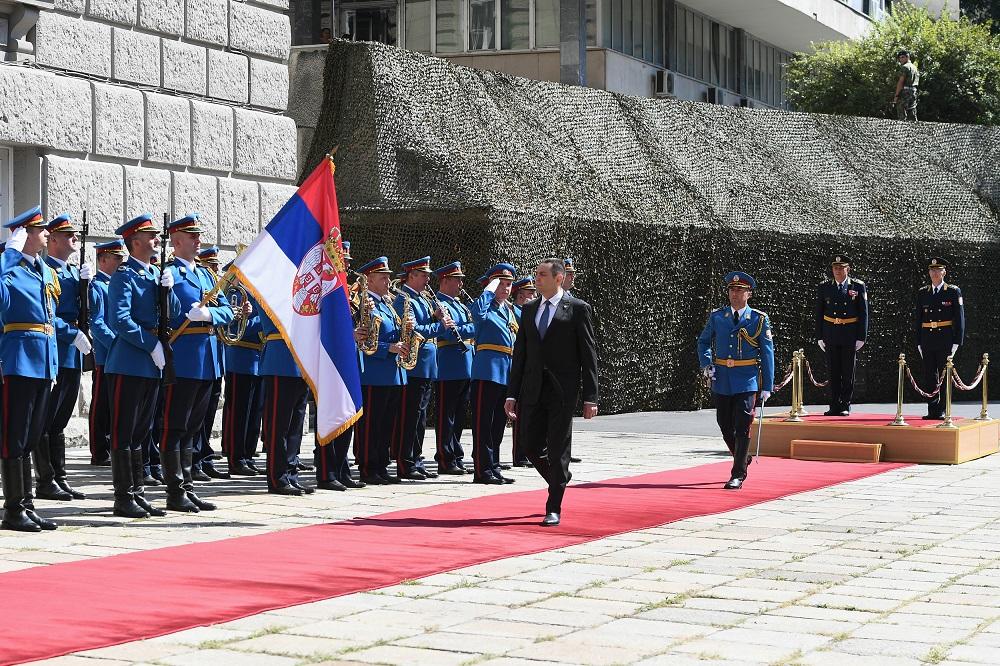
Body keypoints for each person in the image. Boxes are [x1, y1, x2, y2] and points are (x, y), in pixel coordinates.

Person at [506, 258, 599, 526]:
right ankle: (559, 478)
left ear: (559, 278)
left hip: (562, 391)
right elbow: (521, 354)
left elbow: (588, 355)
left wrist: (590, 397)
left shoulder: (577, 309)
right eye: (536, 274)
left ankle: (553, 505)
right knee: (528, 444)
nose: (537, 278)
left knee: (558, 448)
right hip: (533, 388)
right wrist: (512, 394)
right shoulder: (529, 309)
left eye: (543, 275)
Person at [103, 213, 180, 516]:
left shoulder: (153, 275)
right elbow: (120, 320)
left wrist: (168, 290)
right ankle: (123, 497)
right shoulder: (124, 276)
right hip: (129, 362)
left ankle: (137, 493)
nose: (157, 240)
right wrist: (151, 345)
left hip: (150, 363)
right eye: (151, 236)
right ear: (135, 242)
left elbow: (173, 314)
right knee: (124, 432)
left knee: (141, 432)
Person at [160, 214, 234, 510]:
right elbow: (161, 313)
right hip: (184, 358)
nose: (198, 240)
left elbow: (227, 311)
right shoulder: (169, 273)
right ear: (177, 241)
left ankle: (188, 486)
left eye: (198, 235)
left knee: (193, 427)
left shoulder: (206, 275)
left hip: (208, 359)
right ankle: (174, 490)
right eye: (192, 236)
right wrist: (168, 297)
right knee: (175, 426)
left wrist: (209, 314)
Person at [0, 207, 62, 531]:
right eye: (40, 230)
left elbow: (49, 319)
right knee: (15, 436)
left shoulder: (43, 270)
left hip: (43, 362)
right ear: (24, 235)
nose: (47, 234)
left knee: (31, 437)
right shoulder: (9, 269)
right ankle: (12, 510)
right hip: (19, 362)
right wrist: (8, 256)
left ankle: (26, 504)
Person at [33, 214, 95, 502]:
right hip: (55, 350)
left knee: (60, 420)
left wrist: (88, 286)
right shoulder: (45, 271)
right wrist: (71, 334)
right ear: (54, 240)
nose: (74, 239)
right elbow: (46, 314)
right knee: (46, 419)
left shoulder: (72, 272)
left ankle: (60, 477)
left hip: (72, 355)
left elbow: (90, 310)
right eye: (69, 235)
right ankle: (45, 480)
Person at [697, 272, 774, 490]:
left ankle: (737, 473)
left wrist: (767, 385)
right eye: (732, 290)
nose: (735, 294)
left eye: (740, 290)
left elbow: (767, 352)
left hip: (747, 379)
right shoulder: (718, 316)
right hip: (722, 378)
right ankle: (742, 456)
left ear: (749, 294)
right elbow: (703, 342)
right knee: (724, 425)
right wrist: (707, 364)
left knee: (742, 425)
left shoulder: (758, 319)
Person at [391, 257, 452, 480]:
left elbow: (425, 324)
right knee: (410, 416)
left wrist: (436, 317)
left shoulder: (423, 299)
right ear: (412, 276)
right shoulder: (404, 299)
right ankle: (405, 462)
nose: (428, 279)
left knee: (420, 416)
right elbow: (413, 330)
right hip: (414, 365)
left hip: (426, 365)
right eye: (424, 275)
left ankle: (415, 458)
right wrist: (439, 325)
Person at [315, 240, 363, 490]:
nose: (346, 267)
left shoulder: (348, 290)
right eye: (342, 262)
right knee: (330, 415)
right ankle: (327, 471)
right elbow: (321, 325)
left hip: (348, 358)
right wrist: (349, 335)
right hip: (330, 358)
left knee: (347, 414)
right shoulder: (324, 289)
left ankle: (342, 468)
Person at [354, 257, 407, 485]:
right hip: (374, 373)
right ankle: (368, 467)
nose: (388, 281)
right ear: (370, 280)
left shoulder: (387, 304)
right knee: (371, 424)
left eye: (388, 277)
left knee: (386, 424)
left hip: (392, 373)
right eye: (383, 278)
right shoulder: (367, 304)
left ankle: (381, 465)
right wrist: (389, 348)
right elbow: (365, 342)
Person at [469, 264, 519, 485]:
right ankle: (482, 470)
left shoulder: (508, 311)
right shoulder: (485, 307)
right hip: (487, 371)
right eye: (501, 284)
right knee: (483, 424)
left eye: (509, 285)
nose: (506, 288)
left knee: (498, 424)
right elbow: (476, 314)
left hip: (506, 372)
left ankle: (494, 466)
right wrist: (488, 290)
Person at [259, 308, 313, 495]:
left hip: (302, 361)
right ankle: (278, 478)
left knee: (295, 427)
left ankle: (291, 474)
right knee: (278, 426)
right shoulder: (272, 292)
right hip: (281, 360)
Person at [433, 261, 476, 475]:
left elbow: (464, 328)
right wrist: (474, 327)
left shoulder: (460, 305)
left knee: (459, 415)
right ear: (445, 281)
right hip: (449, 365)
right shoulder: (440, 304)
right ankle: (445, 457)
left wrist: (468, 328)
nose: (461, 284)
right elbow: (449, 333)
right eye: (457, 280)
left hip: (465, 365)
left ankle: (456, 454)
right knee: (446, 415)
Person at [191, 245, 229, 481]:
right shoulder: (180, 275)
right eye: (211, 264)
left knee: (207, 412)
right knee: (190, 416)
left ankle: (203, 456)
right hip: (194, 356)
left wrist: (212, 315)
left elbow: (226, 311)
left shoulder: (210, 279)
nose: (215, 268)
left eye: (216, 265)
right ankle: (191, 461)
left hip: (213, 357)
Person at [88, 238, 127, 467]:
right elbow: (97, 323)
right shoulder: (97, 286)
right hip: (106, 354)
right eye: (116, 258)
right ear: (102, 260)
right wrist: (116, 343)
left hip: (119, 355)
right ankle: (99, 450)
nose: (121, 262)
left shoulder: (116, 285)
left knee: (115, 404)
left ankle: (110, 445)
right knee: (101, 404)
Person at [221, 277, 264, 477]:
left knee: (255, 413)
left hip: (259, 358)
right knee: (239, 412)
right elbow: (235, 328)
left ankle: (247, 454)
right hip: (241, 357)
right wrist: (265, 321)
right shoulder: (237, 293)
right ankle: (235, 457)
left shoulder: (259, 292)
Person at [816, 254, 868, 416]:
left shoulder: (858, 286)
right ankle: (834, 404)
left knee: (847, 372)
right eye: (835, 268)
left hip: (849, 333)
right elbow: (819, 313)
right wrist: (819, 336)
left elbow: (863, 313)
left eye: (841, 268)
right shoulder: (825, 286)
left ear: (848, 269)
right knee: (832, 371)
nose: (837, 271)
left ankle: (845, 404)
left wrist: (861, 337)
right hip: (831, 333)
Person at [916, 257, 964, 420]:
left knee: (944, 375)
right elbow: (918, 319)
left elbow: (960, 319)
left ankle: (943, 409)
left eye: (938, 270)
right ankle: (932, 409)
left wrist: (957, 341)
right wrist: (918, 342)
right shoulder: (923, 292)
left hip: (945, 339)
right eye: (932, 270)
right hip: (927, 338)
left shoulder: (952, 291)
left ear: (944, 272)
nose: (935, 273)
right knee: (930, 375)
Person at [510, 276, 537, 467]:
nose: (534, 297)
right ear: (520, 296)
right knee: (520, 413)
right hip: (520, 366)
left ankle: (526, 452)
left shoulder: (526, 312)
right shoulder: (517, 313)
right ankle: (520, 454)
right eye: (530, 294)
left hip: (529, 366)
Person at [894, 49, 919, 122]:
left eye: (902, 57)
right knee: (912, 114)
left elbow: (901, 82)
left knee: (902, 114)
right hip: (913, 91)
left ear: (907, 57)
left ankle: (902, 128)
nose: (900, 59)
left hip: (905, 92)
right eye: (899, 58)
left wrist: (896, 95)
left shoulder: (905, 67)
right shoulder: (914, 67)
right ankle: (914, 128)